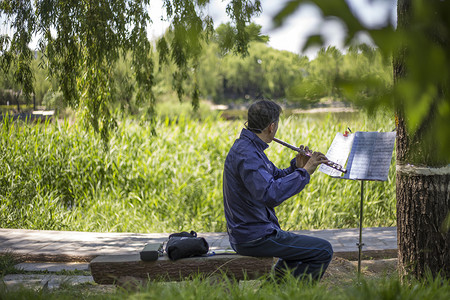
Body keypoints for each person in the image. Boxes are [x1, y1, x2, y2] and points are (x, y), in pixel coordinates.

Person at [223, 100, 333, 281]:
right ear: (271, 127)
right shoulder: (247, 154)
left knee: (297, 254)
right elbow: (270, 194)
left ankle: (271, 293)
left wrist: (296, 167)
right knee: (323, 250)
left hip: (255, 232)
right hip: (253, 237)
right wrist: (305, 173)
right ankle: (296, 295)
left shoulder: (251, 148)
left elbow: (273, 177)